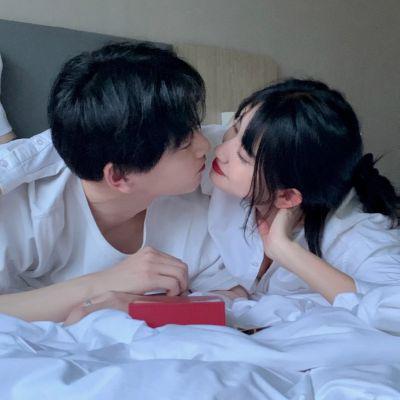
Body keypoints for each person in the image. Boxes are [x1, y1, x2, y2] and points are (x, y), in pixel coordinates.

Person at [0, 42, 243, 323]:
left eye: (195, 128)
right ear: (119, 176)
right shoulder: (25, 206)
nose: (204, 146)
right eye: (185, 144)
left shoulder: (214, 182)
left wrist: (141, 305)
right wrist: (102, 284)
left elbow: (236, 295)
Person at [208, 78, 400, 309]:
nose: (220, 150)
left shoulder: (355, 239)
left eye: (243, 157)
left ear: (287, 196)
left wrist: (284, 250)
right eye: (235, 127)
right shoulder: (202, 152)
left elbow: (392, 309)